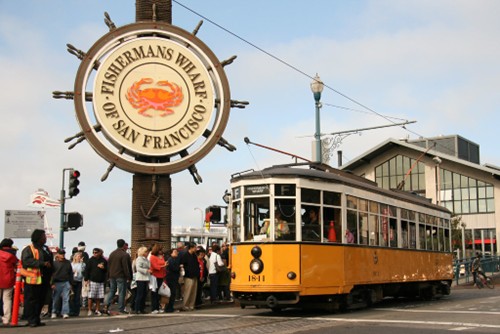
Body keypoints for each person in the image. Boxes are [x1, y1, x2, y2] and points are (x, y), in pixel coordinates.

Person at [21, 229, 52, 327]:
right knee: (31, 300)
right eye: (44, 236)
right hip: (33, 279)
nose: (45, 238)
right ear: (38, 238)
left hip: (44, 279)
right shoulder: (29, 249)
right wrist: (42, 263)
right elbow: (26, 261)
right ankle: (31, 320)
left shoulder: (46, 249)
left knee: (41, 300)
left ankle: (37, 318)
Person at [104, 239, 132, 315]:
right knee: (121, 292)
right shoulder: (125, 255)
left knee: (112, 291)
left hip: (112, 275)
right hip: (121, 276)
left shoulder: (112, 254)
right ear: (123, 245)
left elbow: (108, 266)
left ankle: (106, 306)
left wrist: (108, 275)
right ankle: (121, 309)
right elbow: (126, 267)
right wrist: (129, 276)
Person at [0, 238, 18, 326]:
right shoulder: (12, 255)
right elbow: (17, 264)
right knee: (7, 299)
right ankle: (6, 319)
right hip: (8, 279)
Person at [84, 248, 107, 316]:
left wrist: (103, 268)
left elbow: (107, 270)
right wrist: (86, 279)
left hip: (100, 281)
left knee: (99, 297)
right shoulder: (90, 260)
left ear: (100, 253)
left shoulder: (103, 261)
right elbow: (87, 270)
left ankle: (97, 310)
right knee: (90, 296)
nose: (95, 254)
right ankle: (89, 310)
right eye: (93, 252)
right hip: (92, 280)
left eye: (96, 252)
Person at [51, 249, 72, 319]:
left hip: (66, 282)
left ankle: (65, 312)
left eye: (63, 254)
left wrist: (70, 283)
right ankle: (54, 312)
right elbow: (52, 274)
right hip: (57, 282)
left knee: (66, 298)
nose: (62, 255)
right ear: (58, 255)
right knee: (56, 299)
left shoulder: (68, 263)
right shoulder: (54, 263)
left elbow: (70, 273)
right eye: (61, 254)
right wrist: (52, 283)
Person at [180, 243, 199, 311]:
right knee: (188, 291)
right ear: (191, 248)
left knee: (193, 292)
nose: (196, 249)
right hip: (188, 276)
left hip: (194, 275)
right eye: (195, 247)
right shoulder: (185, 255)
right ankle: (185, 305)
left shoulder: (194, 255)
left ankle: (191, 305)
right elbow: (182, 265)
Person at [149, 244, 166, 314]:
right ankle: (154, 308)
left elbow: (163, 263)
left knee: (159, 292)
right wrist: (163, 265)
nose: (161, 251)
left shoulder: (161, 257)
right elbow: (155, 267)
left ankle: (158, 307)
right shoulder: (152, 257)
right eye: (160, 250)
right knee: (154, 292)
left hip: (161, 276)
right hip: (154, 276)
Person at [133, 247, 150, 314]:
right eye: (146, 252)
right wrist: (146, 270)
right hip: (140, 278)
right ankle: (137, 309)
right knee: (140, 294)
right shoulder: (139, 259)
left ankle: (142, 308)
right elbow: (138, 268)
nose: (147, 253)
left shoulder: (146, 259)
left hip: (146, 278)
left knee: (144, 294)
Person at [164, 248, 180, 313]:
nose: (176, 253)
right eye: (175, 252)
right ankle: (169, 308)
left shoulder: (175, 259)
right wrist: (179, 267)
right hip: (171, 278)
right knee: (171, 293)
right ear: (171, 253)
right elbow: (174, 268)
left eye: (177, 252)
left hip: (174, 278)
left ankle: (170, 307)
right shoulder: (170, 260)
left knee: (173, 293)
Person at [69, 252, 85, 316]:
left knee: (77, 297)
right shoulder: (71, 264)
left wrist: (81, 263)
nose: (79, 258)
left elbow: (83, 271)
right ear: (75, 257)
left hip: (79, 281)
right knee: (71, 296)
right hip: (72, 281)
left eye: (80, 257)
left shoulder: (83, 264)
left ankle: (76, 311)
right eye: (78, 256)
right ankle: (71, 310)